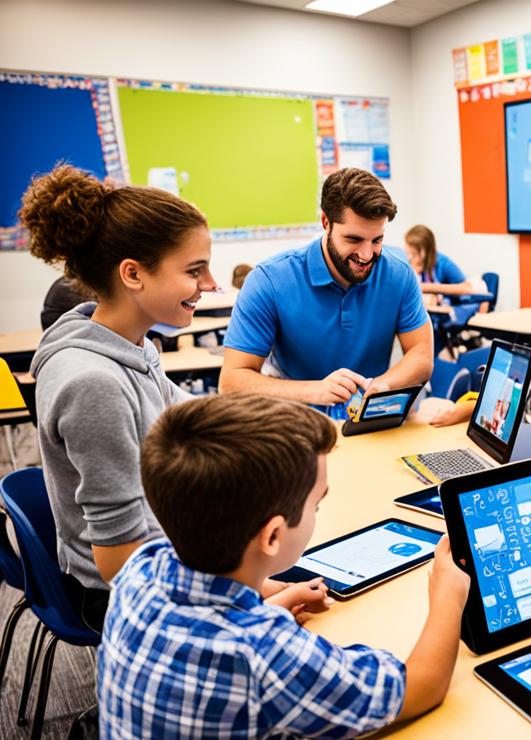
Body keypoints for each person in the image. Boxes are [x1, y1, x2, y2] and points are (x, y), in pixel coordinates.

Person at [21, 165, 323, 632]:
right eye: (194, 270)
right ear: (133, 275)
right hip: (119, 598)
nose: (212, 284)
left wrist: (288, 424)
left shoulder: (132, 345)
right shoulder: (92, 382)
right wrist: (250, 602)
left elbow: (195, 414)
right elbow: (120, 563)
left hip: (166, 559)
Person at [97, 393, 470, 740]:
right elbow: (420, 687)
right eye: (316, 505)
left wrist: (271, 603)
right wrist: (447, 595)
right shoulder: (265, 652)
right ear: (273, 536)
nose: (317, 512)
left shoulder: (141, 566)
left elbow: (201, 627)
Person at [220, 168, 433, 410]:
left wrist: (379, 387)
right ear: (326, 223)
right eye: (353, 239)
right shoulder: (269, 280)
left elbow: (421, 354)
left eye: (377, 240)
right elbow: (232, 381)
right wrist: (316, 390)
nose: (366, 255)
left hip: (368, 423)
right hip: (295, 422)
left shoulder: (399, 275)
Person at [404, 224, 476, 302]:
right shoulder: (407, 264)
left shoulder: (443, 263)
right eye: (408, 253)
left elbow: (468, 288)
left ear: (428, 251)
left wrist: (427, 287)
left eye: (415, 254)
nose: (410, 258)